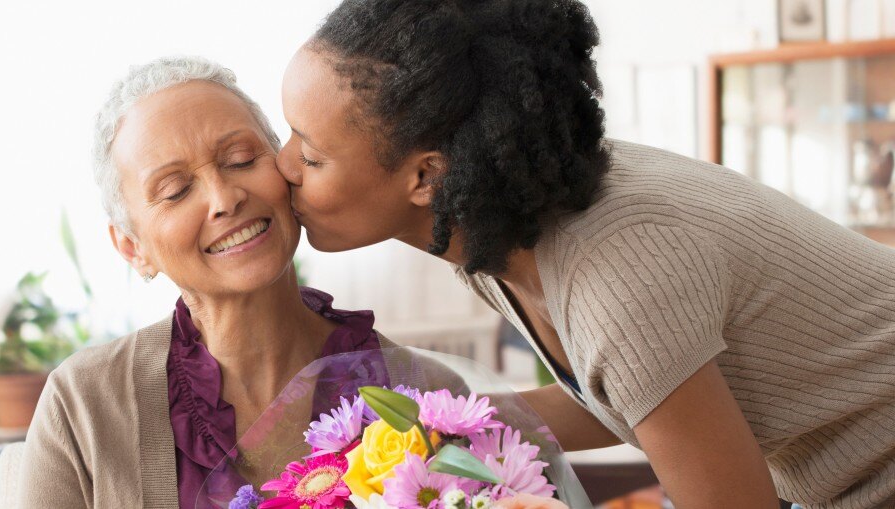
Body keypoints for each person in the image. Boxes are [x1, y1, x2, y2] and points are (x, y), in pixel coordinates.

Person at [275, 0, 895, 507]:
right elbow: (631, 397)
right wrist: (417, 428)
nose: (283, 167)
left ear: (427, 177)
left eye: (311, 154)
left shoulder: (616, 275)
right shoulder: (500, 220)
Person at [17, 56, 393, 508]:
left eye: (241, 159)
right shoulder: (82, 404)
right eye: (175, 190)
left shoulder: (416, 388)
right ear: (133, 248)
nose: (224, 198)